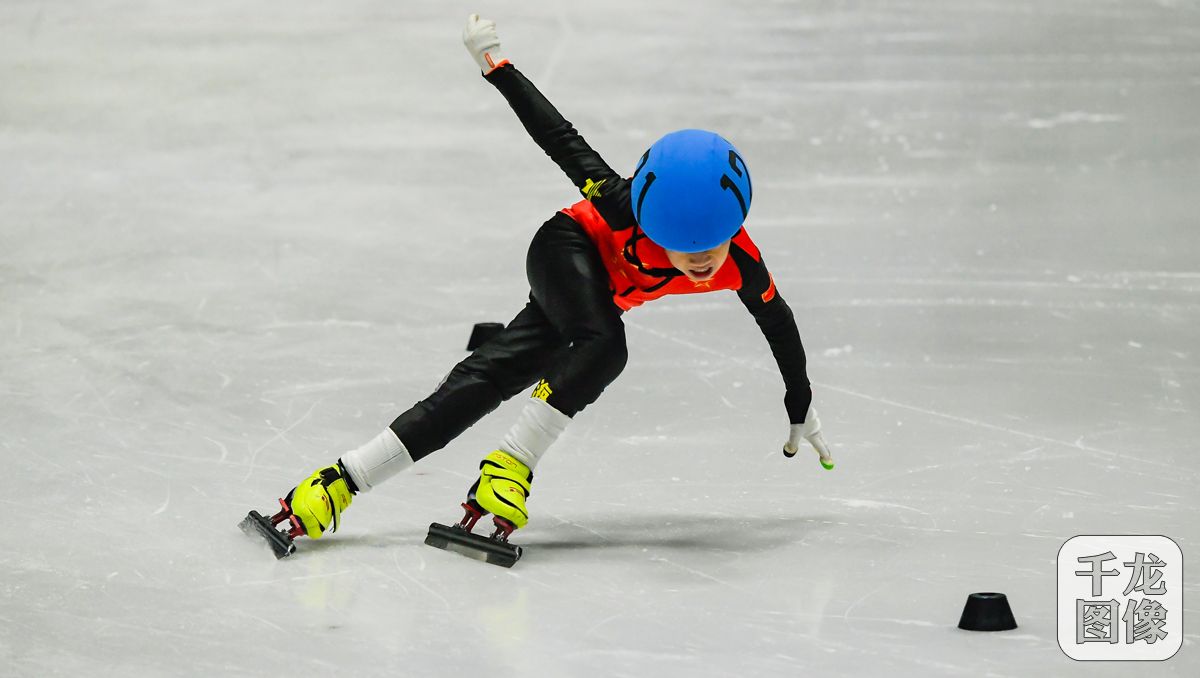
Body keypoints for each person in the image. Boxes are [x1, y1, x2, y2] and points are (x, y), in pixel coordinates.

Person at [269, 14, 835, 546]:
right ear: (651, 222)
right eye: (681, 247)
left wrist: (799, 400)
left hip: (591, 305)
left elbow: (779, 326)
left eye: (710, 246)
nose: (701, 263)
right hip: (565, 249)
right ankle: (510, 465)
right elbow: (560, 138)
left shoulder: (743, 263)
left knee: (488, 379)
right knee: (603, 344)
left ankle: (338, 482)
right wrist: (497, 65)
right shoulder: (619, 206)